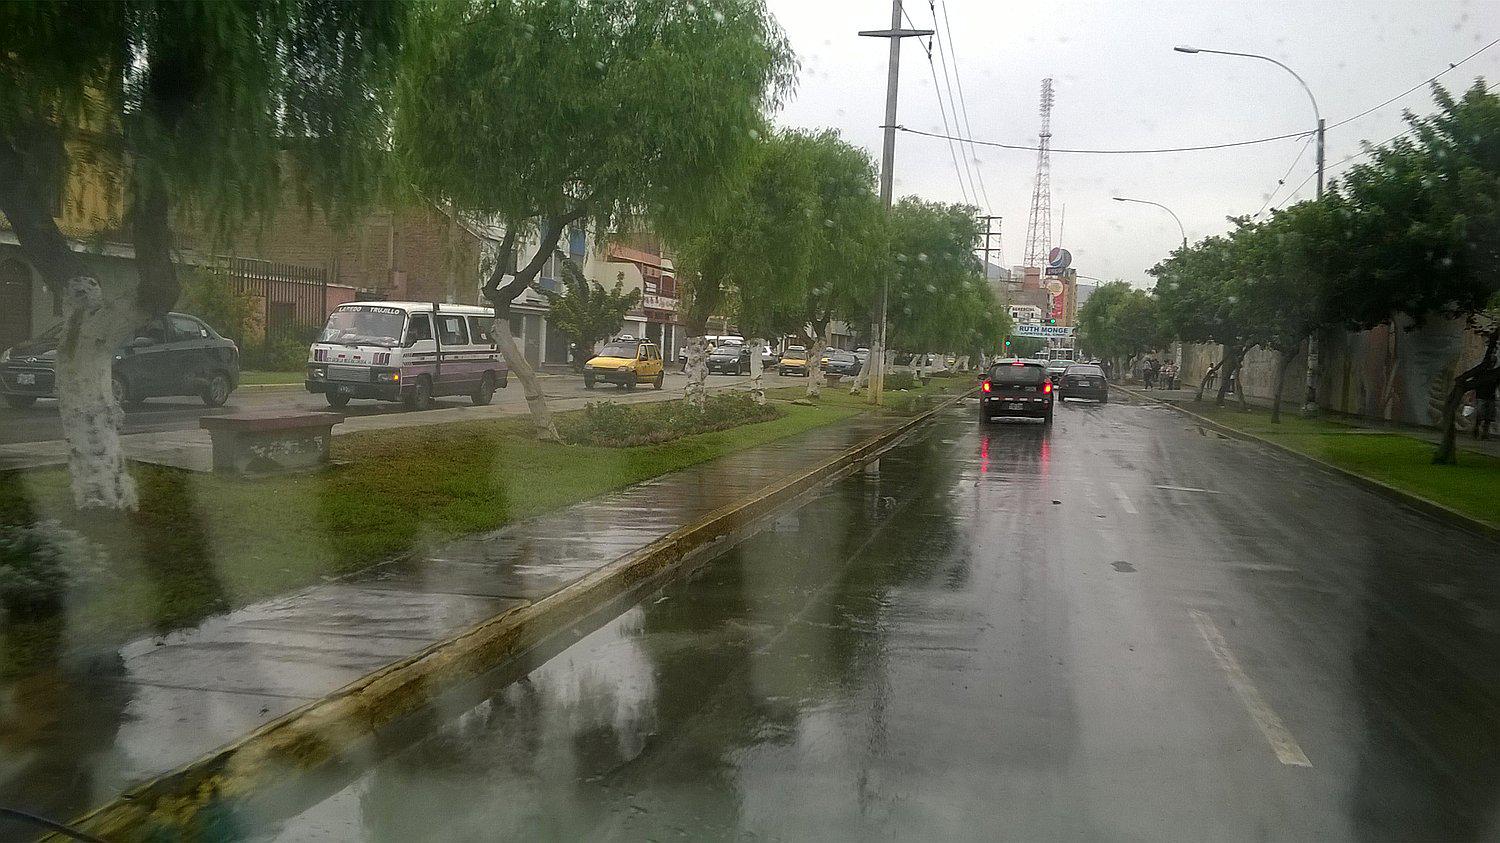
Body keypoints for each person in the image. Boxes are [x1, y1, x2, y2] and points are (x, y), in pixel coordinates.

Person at [1473, 364, 1499, 440]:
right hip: (1481, 396)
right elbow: (1474, 383)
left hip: (1490, 397)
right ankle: (1476, 430)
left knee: (1488, 417)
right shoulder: (1481, 372)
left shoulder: (1495, 373)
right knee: (1480, 415)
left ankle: (1485, 433)